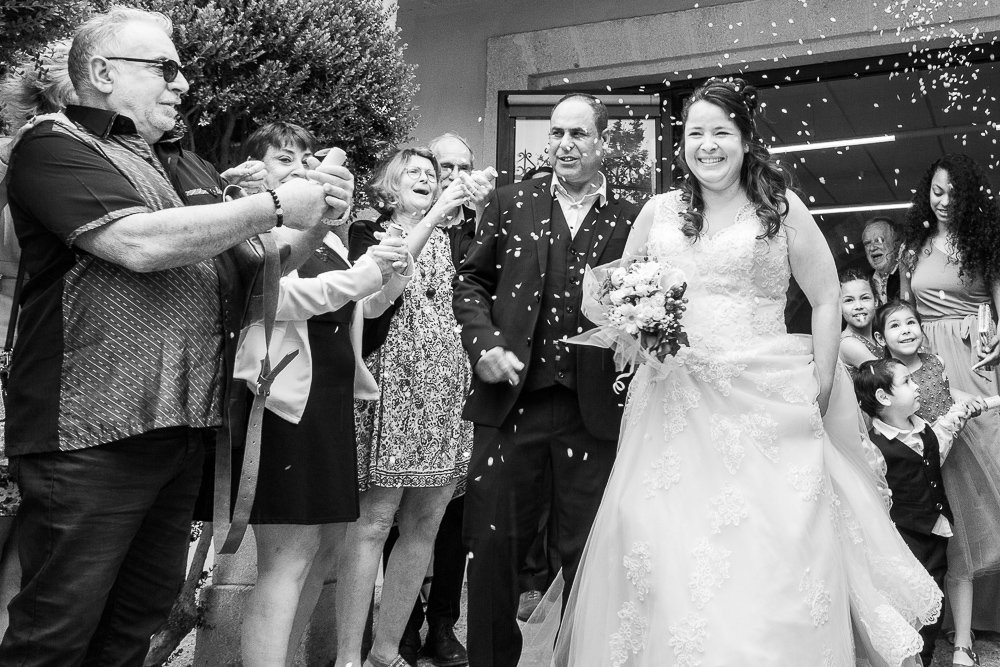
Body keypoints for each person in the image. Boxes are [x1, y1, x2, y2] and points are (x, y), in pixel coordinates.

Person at [543, 78, 940, 666]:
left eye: (721, 132)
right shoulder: (659, 211)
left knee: (773, 546)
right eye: (695, 133)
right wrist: (640, 333)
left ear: (746, 140)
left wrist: (824, 381)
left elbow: (827, 297)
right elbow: (611, 294)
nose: (707, 145)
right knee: (661, 540)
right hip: (673, 402)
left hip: (764, 398)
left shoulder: (779, 209)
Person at [0, 8, 351, 664]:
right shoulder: (53, 144)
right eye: (164, 68)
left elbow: (258, 273)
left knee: (132, 632)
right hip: (88, 440)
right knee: (54, 635)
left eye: (181, 69)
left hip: (178, 438)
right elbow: (134, 242)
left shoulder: (182, 160)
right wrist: (274, 203)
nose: (183, 83)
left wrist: (319, 219)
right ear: (101, 73)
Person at [452, 93, 640, 667]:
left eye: (578, 135)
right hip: (513, 405)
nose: (564, 145)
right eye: (557, 133)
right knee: (492, 546)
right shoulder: (512, 203)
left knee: (590, 553)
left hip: (598, 412)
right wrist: (483, 347)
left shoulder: (633, 219)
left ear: (603, 142)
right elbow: (471, 284)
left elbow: (650, 303)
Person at [232, 122, 411, 667]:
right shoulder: (243, 214)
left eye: (308, 160)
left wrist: (392, 272)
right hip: (281, 399)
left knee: (325, 549)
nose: (302, 170)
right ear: (256, 168)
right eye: (286, 159)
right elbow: (269, 297)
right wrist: (362, 279)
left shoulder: (327, 232)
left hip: (329, 400)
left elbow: (361, 309)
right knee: (287, 558)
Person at [336, 146, 483, 667]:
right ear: (390, 186)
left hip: (446, 393)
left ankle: (384, 651)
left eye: (432, 173)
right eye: (413, 173)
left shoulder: (454, 239)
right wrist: (436, 215)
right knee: (375, 522)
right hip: (393, 388)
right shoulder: (370, 233)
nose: (426, 179)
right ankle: (348, 656)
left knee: (427, 523)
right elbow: (375, 297)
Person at [388, 132, 494, 667]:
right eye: (440, 165)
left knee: (452, 521)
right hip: (403, 387)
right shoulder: (398, 226)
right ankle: (399, 628)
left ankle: (444, 627)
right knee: (396, 515)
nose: (450, 176)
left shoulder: (485, 226)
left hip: (465, 390)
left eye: (460, 167)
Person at [898, 153, 1000, 666]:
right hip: (929, 371)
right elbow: (901, 316)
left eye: (953, 194)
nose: (943, 202)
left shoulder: (987, 246)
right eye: (936, 192)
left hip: (977, 365)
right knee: (952, 493)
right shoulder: (912, 248)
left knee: (992, 487)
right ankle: (960, 632)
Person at [854, 358, 968, 667]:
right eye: (906, 382)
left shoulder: (925, 430)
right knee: (908, 602)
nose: (916, 386)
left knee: (935, 599)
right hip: (904, 538)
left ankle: (925, 658)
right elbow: (874, 495)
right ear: (883, 397)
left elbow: (936, 452)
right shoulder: (874, 447)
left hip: (936, 531)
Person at [838, 267, 881, 377]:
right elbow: (889, 376)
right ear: (839, 306)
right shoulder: (848, 344)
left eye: (865, 298)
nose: (858, 306)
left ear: (875, 301)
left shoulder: (879, 336)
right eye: (849, 300)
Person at [864, 216, 901, 305]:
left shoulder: (909, 277)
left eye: (879, 240)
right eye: (867, 243)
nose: (872, 248)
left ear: (895, 244)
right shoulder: (864, 281)